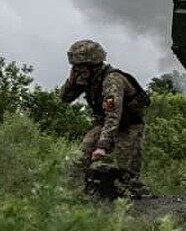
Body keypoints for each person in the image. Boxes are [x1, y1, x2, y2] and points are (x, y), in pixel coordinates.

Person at [58, 39, 149, 198]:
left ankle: (139, 204)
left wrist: (102, 146)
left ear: (92, 65)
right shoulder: (87, 78)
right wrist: (72, 81)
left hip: (128, 126)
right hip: (106, 124)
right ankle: (75, 196)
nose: (78, 70)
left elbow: (113, 115)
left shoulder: (112, 80)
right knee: (78, 159)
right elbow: (65, 98)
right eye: (75, 67)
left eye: (81, 67)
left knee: (127, 175)